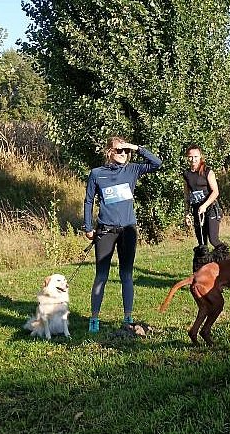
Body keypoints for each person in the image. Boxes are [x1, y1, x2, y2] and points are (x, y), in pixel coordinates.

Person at [83, 136, 162, 333]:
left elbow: (157, 163)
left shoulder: (132, 169)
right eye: (119, 150)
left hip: (127, 231)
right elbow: (88, 201)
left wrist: (134, 146)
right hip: (105, 231)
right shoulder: (96, 174)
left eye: (126, 151)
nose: (124, 154)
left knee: (126, 274)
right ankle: (94, 318)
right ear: (109, 151)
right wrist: (88, 227)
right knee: (101, 275)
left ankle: (128, 317)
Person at [182, 144, 229, 270]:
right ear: (187, 158)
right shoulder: (186, 174)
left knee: (213, 240)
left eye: (196, 156)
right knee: (202, 244)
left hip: (211, 209)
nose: (193, 159)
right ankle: (204, 272)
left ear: (200, 156)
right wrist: (186, 213)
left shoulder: (207, 171)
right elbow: (187, 194)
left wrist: (205, 205)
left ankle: (227, 265)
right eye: (190, 157)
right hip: (197, 211)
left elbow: (215, 192)